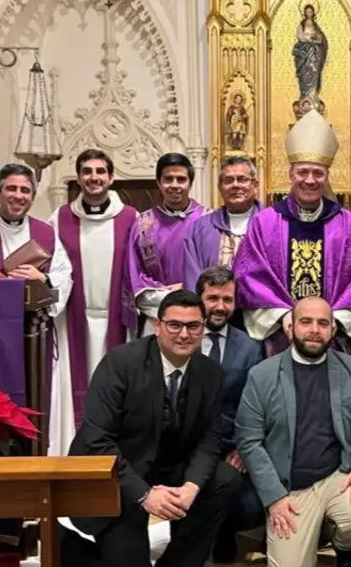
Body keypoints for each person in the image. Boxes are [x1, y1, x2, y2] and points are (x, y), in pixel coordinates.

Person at [66, 290, 238, 567]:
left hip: (169, 463)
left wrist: (192, 487)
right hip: (118, 475)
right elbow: (97, 440)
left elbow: (210, 438)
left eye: (193, 326)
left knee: (224, 478)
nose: (184, 334)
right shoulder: (120, 364)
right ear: (157, 326)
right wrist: (144, 495)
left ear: (203, 330)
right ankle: (70, 549)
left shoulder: (211, 373)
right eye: (174, 325)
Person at [235, 296, 351, 567]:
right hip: (289, 487)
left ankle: (345, 546)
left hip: (338, 475)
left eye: (322, 323)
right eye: (306, 322)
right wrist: (274, 497)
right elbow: (249, 440)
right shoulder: (261, 375)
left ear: (333, 331)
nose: (314, 329)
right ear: (290, 328)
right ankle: (311, 530)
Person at [233, 110, 351, 356]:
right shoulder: (264, 223)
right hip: (280, 334)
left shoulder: (348, 224)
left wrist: (330, 322)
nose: (310, 180)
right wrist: (285, 317)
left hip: (333, 336)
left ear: (327, 177)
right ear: (290, 174)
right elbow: (249, 276)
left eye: (318, 173)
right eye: (302, 172)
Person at [49, 149, 139, 455]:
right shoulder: (60, 217)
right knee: (75, 388)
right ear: (78, 178)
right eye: (87, 171)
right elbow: (54, 268)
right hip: (74, 320)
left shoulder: (131, 218)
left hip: (117, 318)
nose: (94, 177)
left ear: (111, 177)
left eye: (100, 171)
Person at [192, 266, 265, 563]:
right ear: (200, 299)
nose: (220, 306)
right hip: (190, 445)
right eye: (212, 298)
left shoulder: (250, 348)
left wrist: (243, 448)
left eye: (227, 299)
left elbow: (256, 405)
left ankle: (225, 532)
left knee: (250, 506)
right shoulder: (184, 339)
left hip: (230, 446)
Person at [128, 153, 207, 334]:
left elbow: (216, 271)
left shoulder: (207, 221)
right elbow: (134, 275)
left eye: (181, 179)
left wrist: (188, 285)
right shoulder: (143, 224)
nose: (174, 185)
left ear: (190, 183)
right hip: (157, 313)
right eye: (168, 179)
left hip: (197, 313)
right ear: (158, 183)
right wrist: (167, 296)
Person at [0, 164, 71, 301]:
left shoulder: (47, 233)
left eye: (25, 190)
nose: (18, 196)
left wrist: (43, 278)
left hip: (34, 318)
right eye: (11, 189)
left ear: (33, 197)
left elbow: (64, 275)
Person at [182, 155, 261, 292]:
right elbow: (193, 279)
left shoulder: (271, 224)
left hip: (260, 309)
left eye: (242, 179)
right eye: (228, 180)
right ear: (220, 187)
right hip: (214, 309)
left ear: (255, 185)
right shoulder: (200, 229)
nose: (235, 185)